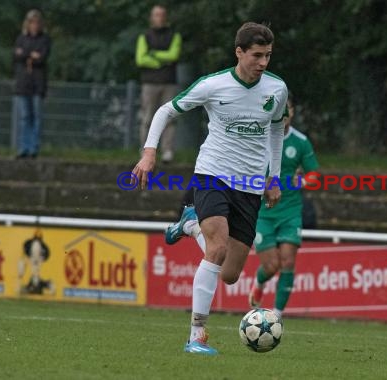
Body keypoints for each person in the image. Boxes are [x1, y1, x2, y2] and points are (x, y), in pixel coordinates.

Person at [131, 22, 288, 355]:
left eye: (268, 56)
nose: (263, 63)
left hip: (250, 185)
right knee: (216, 249)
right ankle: (196, 336)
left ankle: (190, 224)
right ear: (239, 52)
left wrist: (274, 178)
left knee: (229, 274)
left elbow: (276, 133)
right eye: (256, 55)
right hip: (212, 174)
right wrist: (149, 153)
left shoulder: (276, 90)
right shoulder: (213, 85)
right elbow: (164, 111)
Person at [248, 94, 319, 318]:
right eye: (280, 110)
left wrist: (303, 181)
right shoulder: (258, 137)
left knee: (288, 261)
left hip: (290, 211)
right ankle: (259, 282)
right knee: (271, 266)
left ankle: (276, 316)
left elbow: (314, 175)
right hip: (263, 212)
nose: (284, 114)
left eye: (287, 109)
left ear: (292, 112)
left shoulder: (300, 142)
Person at [136, 5, 182, 163]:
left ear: (166, 17)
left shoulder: (174, 35)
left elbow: (174, 55)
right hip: (149, 83)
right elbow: (141, 59)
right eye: (156, 15)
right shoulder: (144, 36)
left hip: (169, 82)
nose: (159, 18)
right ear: (151, 17)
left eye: (162, 15)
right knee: (147, 118)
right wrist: (161, 62)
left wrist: (154, 55)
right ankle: (145, 151)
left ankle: (167, 151)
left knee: (170, 118)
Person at [13, 9, 51, 159]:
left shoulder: (44, 39)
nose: (34, 26)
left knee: (36, 117)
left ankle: (33, 148)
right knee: (24, 117)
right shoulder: (21, 38)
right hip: (23, 84)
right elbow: (16, 55)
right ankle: (23, 148)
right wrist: (31, 55)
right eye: (31, 23)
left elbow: (41, 57)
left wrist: (25, 54)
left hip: (38, 84)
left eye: (36, 23)